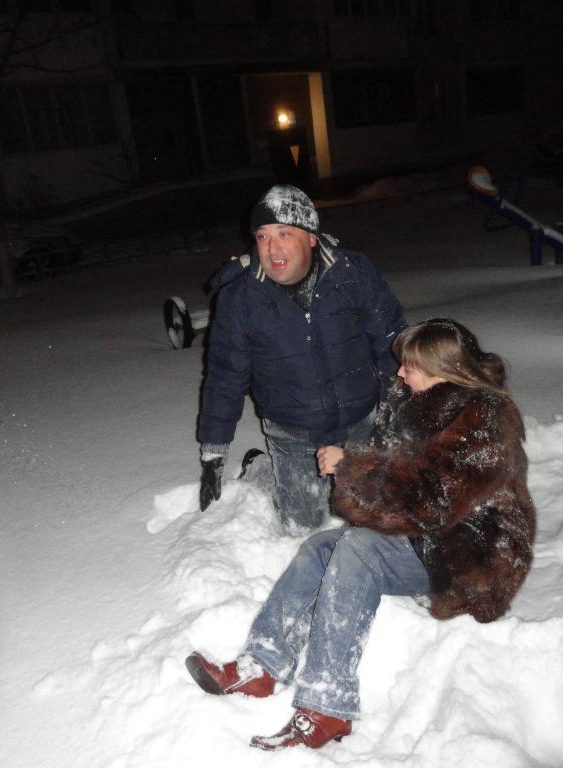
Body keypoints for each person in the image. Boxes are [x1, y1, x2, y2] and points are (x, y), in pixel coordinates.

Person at [185, 318, 537, 751]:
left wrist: (352, 466)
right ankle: (261, 664)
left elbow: (432, 498)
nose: (399, 373)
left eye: (410, 367)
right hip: (430, 538)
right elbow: (403, 475)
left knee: (358, 549)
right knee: (321, 547)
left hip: (470, 558)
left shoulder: (484, 420)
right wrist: (358, 464)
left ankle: (327, 705)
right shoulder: (423, 403)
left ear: (443, 370)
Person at [197, 183, 406, 531]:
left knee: (370, 521)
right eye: (262, 236)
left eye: (284, 233)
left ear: (311, 237)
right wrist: (214, 451)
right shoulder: (240, 299)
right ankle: (263, 470)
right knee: (304, 530)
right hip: (292, 431)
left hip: (361, 420)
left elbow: (391, 342)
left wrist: (398, 406)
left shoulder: (351, 273)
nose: (272, 248)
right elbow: (224, 377)